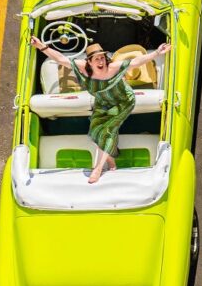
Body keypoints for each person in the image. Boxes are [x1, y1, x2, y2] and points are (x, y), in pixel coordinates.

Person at [31, 37, 171, 184]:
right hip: (102, 103)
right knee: (95, 133)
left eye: (102, 58)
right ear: (89, 62)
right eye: (97, 59)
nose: (101, 61)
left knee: (107, 130)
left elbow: (136, 62)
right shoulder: (82, 68)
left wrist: (157, 52)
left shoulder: (113, 68)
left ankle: (97, 169)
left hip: (123, 102)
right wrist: (41, 46)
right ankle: (110, 160)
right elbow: (60, 59)